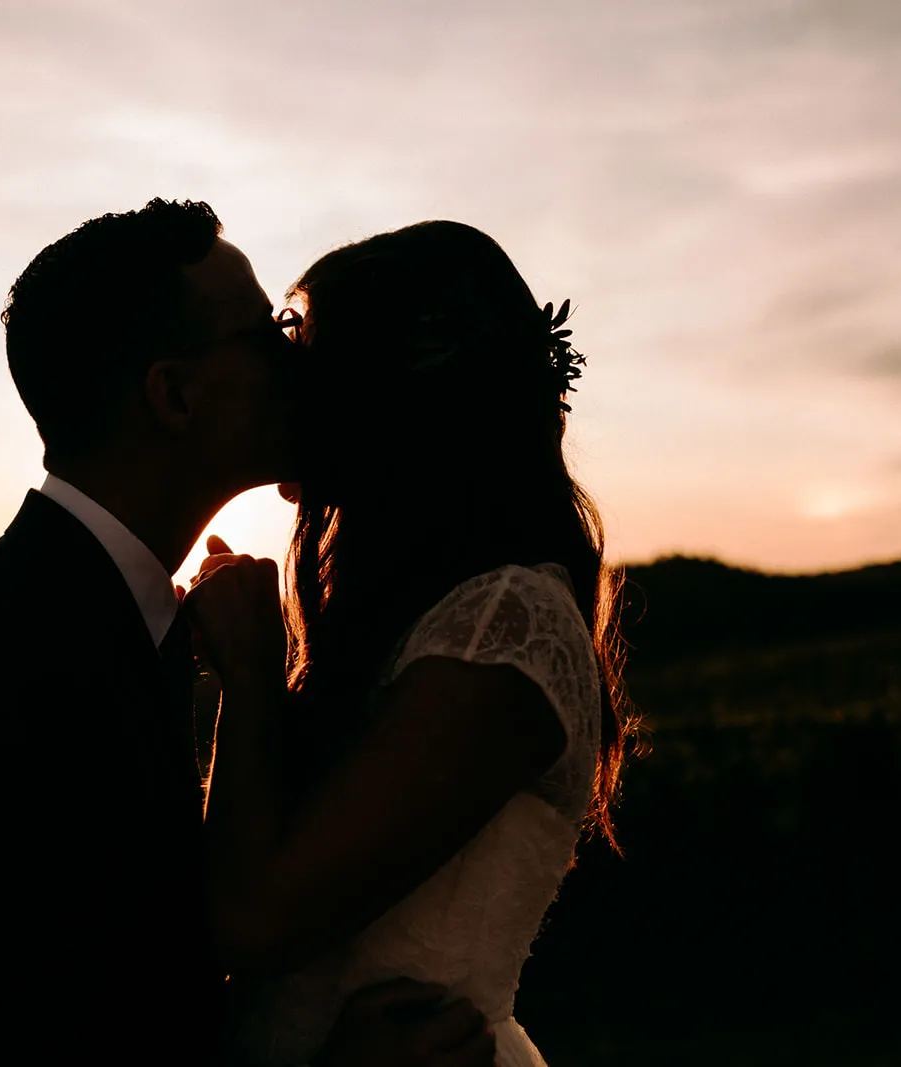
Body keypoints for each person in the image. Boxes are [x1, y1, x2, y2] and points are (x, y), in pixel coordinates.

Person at [0, 200, 497, 1067]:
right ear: (176, 395)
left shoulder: (81, 616)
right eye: (267, 334)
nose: (297, 359)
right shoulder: (9, 668)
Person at [184, 221, 638, 1067]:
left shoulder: (503, 626)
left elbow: (257, 918)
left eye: (308, 355)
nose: (285, 381)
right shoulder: (413, 613)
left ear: (382, 397)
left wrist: (250, 674)